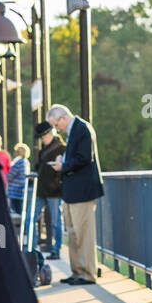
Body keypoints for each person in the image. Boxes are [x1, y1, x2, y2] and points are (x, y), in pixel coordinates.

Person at [49, 102, 103, 286]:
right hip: (72, 191)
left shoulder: (82, 128)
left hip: (83, 191)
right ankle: (77, 271)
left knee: (84, 234)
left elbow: (84, 157)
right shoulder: (74, 130)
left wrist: (63, 165)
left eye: (56, 125)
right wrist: (62, 159)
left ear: (63, 118)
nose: (57, 129)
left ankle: (88, 273)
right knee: (72, 233)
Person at [32, 120, 64, 259]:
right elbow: (38, 167)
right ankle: (32, 250)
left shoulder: (61, 148)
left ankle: (56, 250)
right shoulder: (42, 150)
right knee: (30, 218)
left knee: (56, 222)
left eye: (43, 136)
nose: (42, 139)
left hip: (54, 190)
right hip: (41, 190)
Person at [7, 140, 30, 218]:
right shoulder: (26, 162)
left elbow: (11, 175)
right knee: (20, 211)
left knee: (16, 212)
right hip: (21, 190)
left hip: (15, 191)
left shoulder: (19, 162)